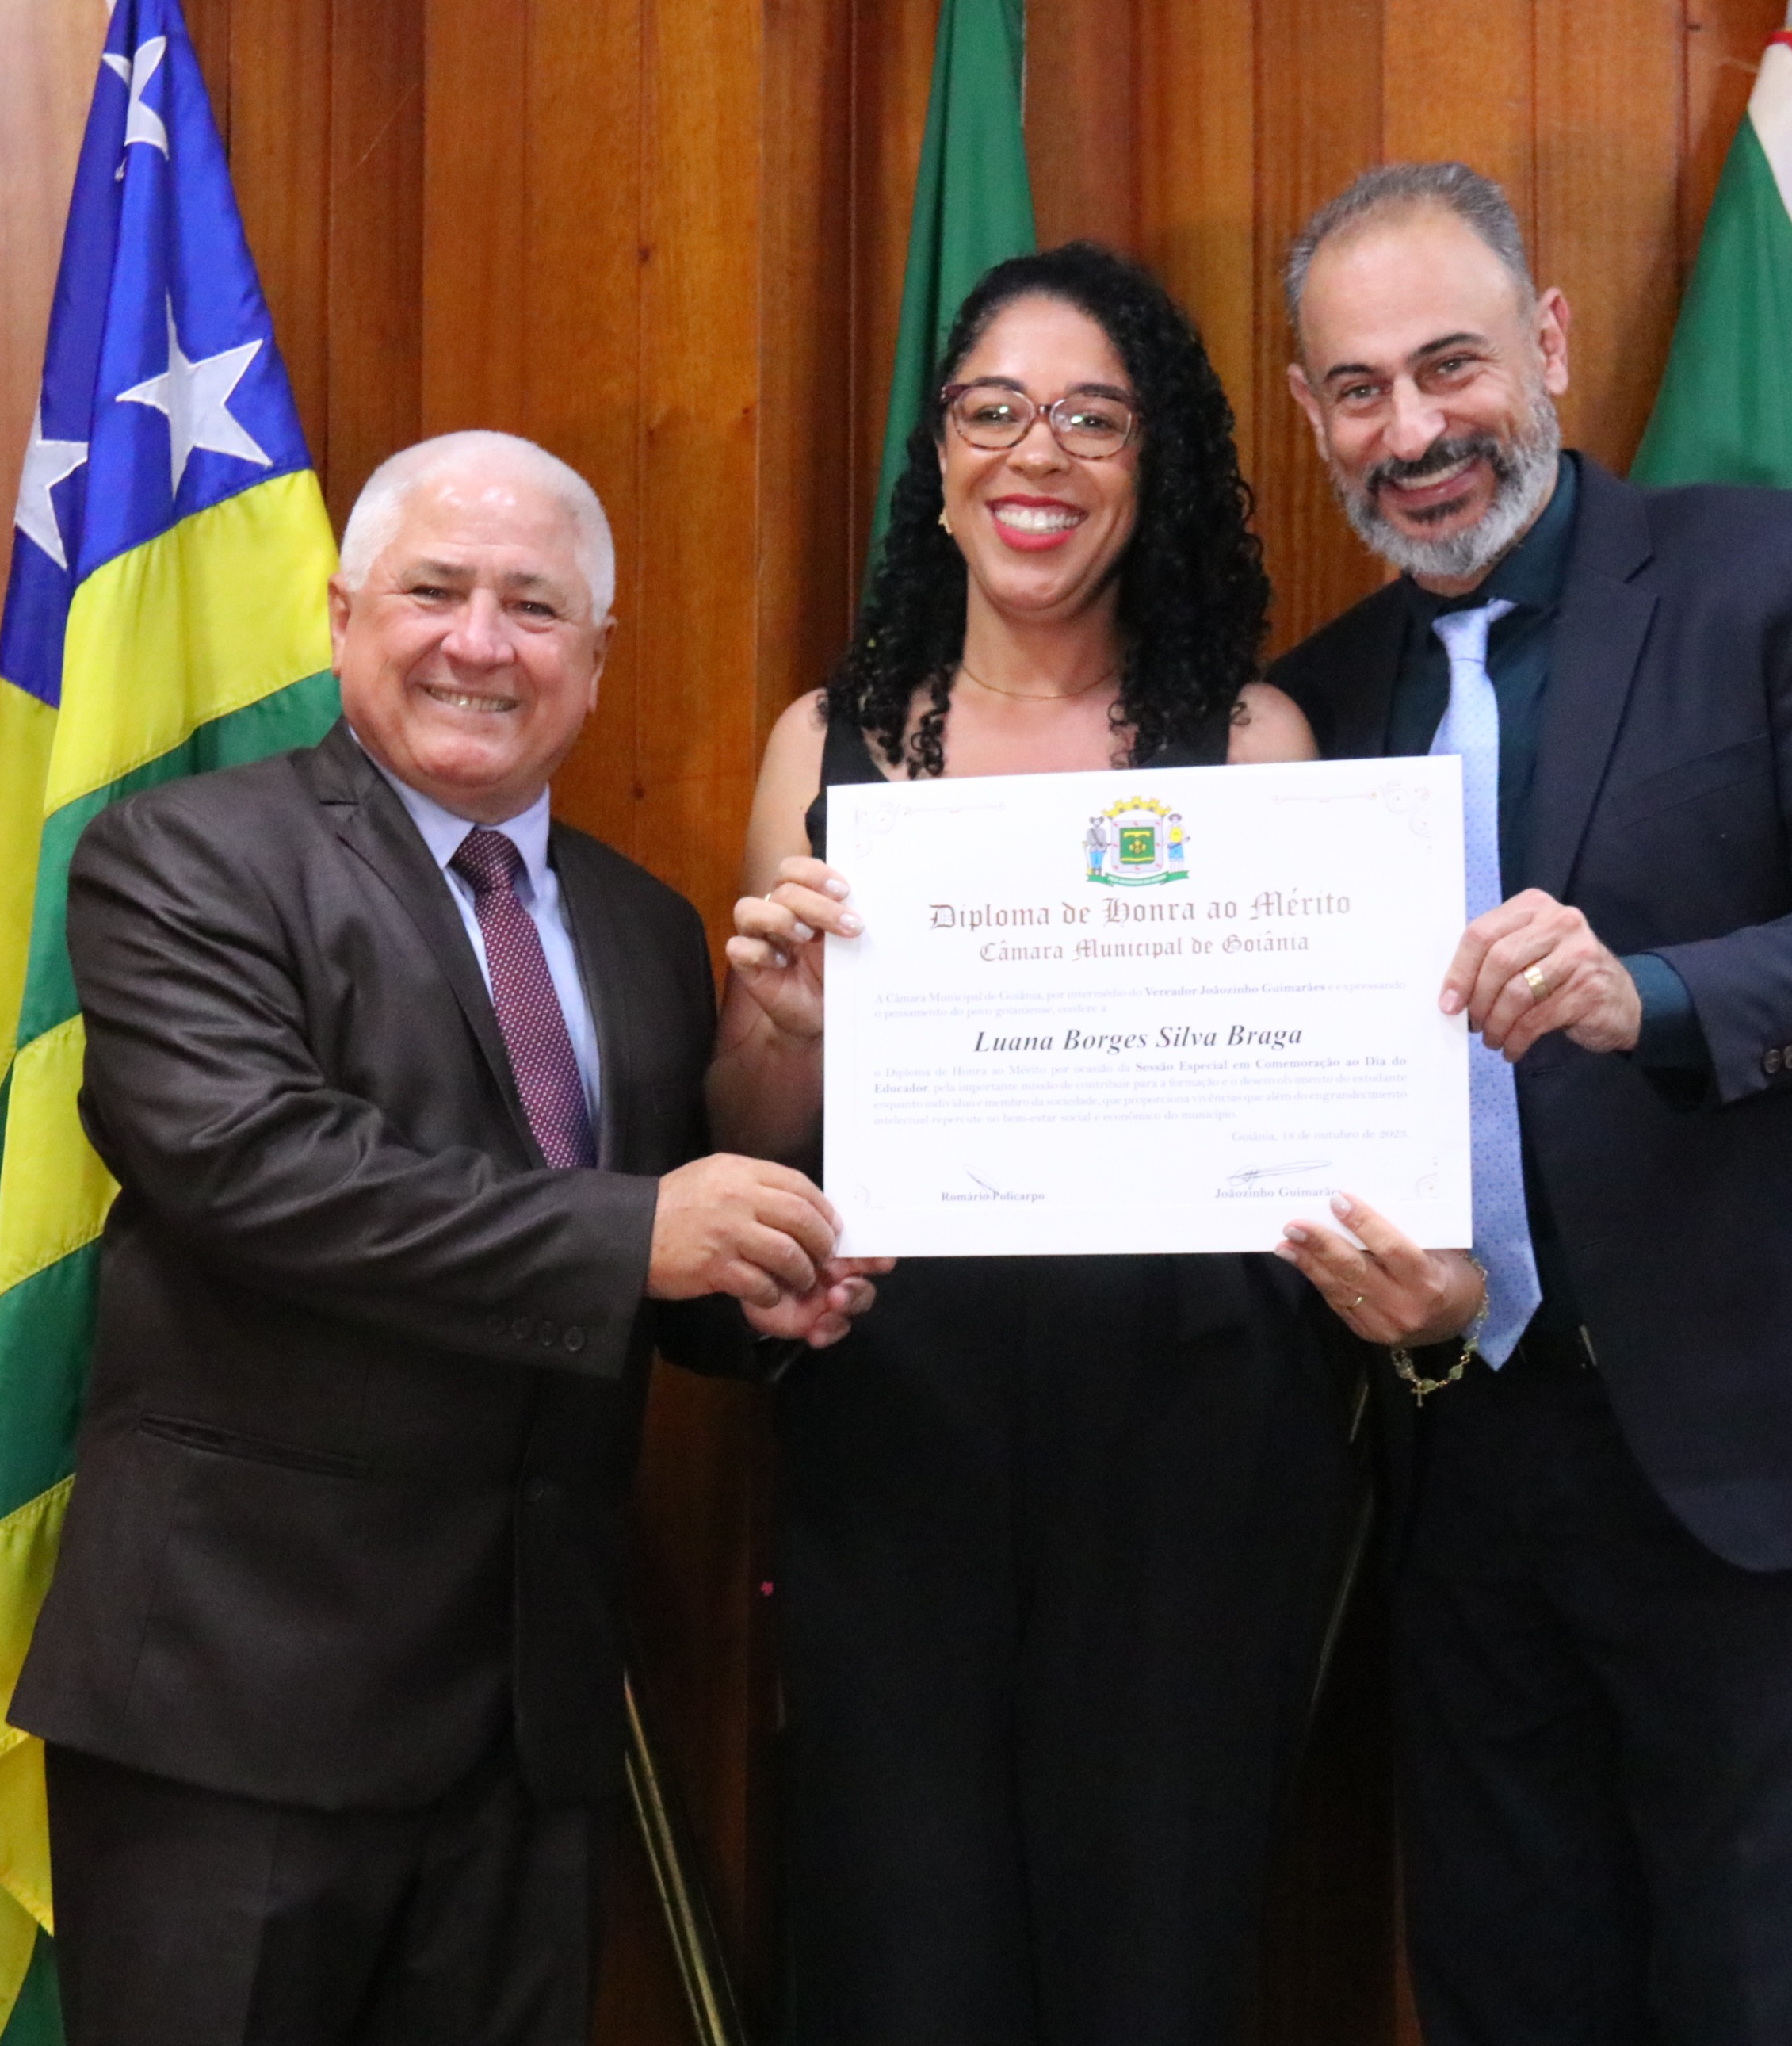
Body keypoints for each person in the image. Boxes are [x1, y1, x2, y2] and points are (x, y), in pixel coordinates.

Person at [1263, 163, 1792, 2044]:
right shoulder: (1305, 709)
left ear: (1549, 343)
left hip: (1756, 1444)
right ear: (1307, 413)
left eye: (1450, 365)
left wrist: (1652, 994)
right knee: (1512, 1993)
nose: (1412, 433)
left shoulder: (1780, 579)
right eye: (1357, 389)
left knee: (1786, 2003)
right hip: (1455, 1455)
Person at [10, 430, 881, 2046]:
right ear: (344, 617)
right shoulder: (186, 859)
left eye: (533, 607)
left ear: (596, 660)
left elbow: (646, 1271)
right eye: (434, 591)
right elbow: (260, 1173)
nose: (480, 642)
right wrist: (647, 1232)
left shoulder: (643, 926)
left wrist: (770, 1282)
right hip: (236, 1708)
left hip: (529, 1731)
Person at [712, 244, 1360, 2046]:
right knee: (900, 1949)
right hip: (898, 1425)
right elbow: (747, 1131)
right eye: (993, 410)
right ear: (939, 457)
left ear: (1155, 467)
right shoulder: (828, 742)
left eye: (1093, 418)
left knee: (1155, 1944)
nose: (1037, 454)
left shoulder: (1254, 742)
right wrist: (783, 1018)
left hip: (1190, 1434)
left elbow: (1312, 1106)